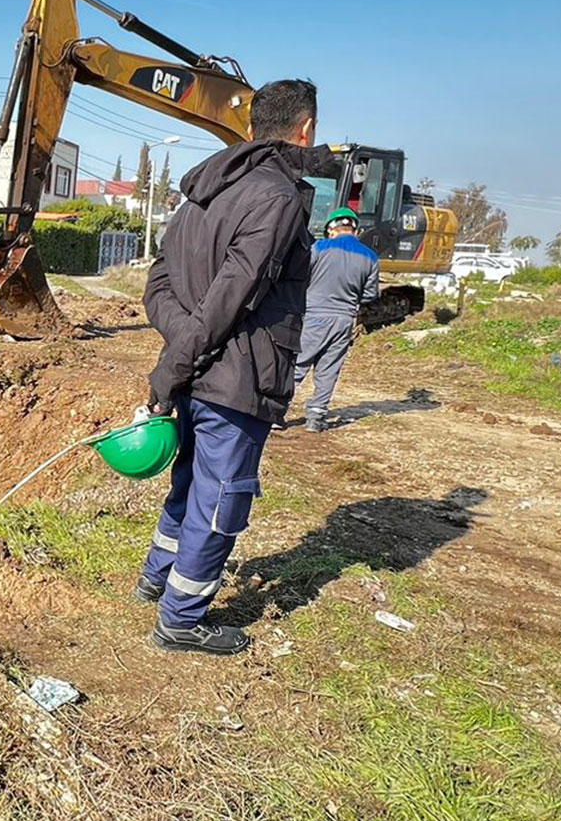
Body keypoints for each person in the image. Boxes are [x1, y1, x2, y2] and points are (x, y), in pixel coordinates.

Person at [136, 78, 323, 655]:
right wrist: (182, 357)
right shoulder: (277, 197)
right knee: (220, 501)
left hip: (198, 370)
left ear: (248, 127)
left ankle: (156, 578)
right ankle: (182, 619)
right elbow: (231, 296)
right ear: (306, 129)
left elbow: (158, 287)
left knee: (189, 483)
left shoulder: (201, 194)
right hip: (235, 378)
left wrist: (182, 351)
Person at [289, 205, 380, 433]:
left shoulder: (319, 248)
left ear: (331, 229)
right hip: (344, 320)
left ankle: (275, 412)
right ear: (355, 231)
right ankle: (316, 417)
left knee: (297, 365)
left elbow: (299, 276)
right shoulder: (370, 257)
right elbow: (370, 295)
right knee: (329, 370)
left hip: (314, 316)